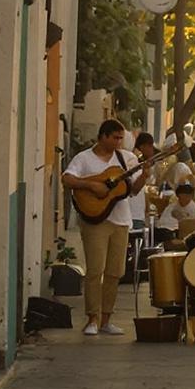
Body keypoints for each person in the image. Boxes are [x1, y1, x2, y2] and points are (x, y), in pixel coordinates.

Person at [60, 119, 146, 336]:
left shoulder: (127, 158)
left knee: (115, 272)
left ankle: (107, 318)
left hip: (121, 220)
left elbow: (133, 190)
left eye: (121, 138)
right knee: (95, 270)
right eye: (115, 137)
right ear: (103, 136)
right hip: (94, 221)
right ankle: (92, 318)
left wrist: (145, 174)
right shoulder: (84, 158)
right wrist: (91, 185)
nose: (119, 142)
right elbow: (67, 179)